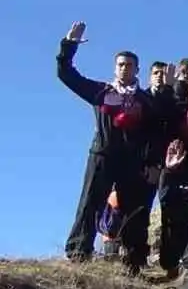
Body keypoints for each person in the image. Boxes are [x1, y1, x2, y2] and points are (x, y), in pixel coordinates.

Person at [57, 22, 164, 272]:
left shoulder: (146, 100)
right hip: (103, 156)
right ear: (115, 68)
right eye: (120, 65)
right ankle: (78, 251)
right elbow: (66, 74)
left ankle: (134, 261)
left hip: (133, 162)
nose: (124, 69)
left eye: (129, 65)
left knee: (135, 213)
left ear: (138, 69)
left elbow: (156, 134)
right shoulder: (101, 92)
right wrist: (69, 45)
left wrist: (152, 163)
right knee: (89, 203)